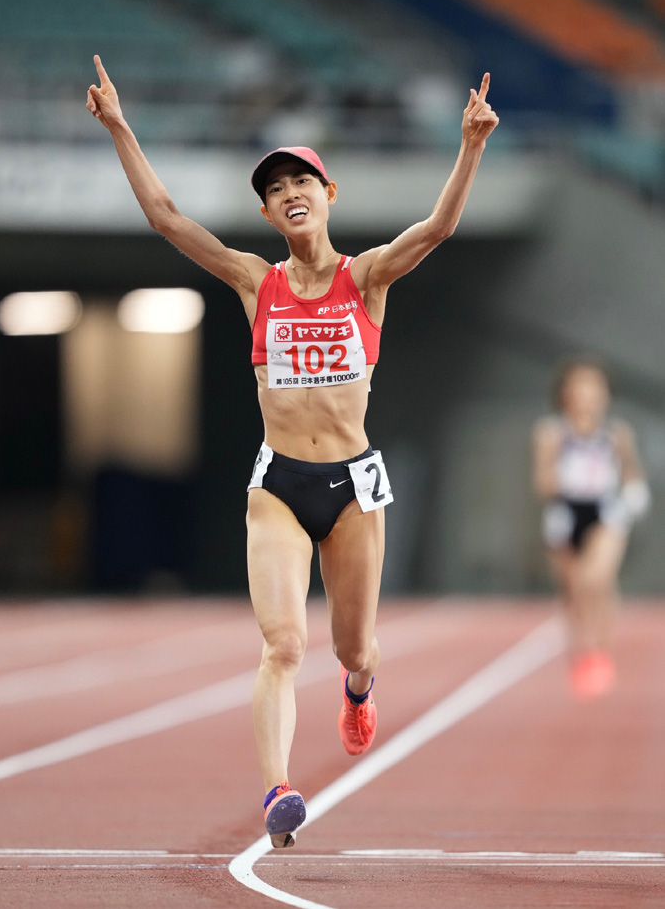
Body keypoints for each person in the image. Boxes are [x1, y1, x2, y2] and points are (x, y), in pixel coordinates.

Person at [86, 55, 499, 845]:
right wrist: (120, 128)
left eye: (301, 182)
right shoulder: (254, 282)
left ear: (327, 194)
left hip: (352, 486)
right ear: (272, 215)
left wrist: (471, 146)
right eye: (275, 191)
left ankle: (358, 686)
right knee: (282, 644)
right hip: (279, 482)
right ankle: (279, 791)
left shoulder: (366, 277)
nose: (290, 195)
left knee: (354, 646)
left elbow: (440, 228)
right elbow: (170, 221)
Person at [532, 358, 650, 699]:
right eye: (579, 386)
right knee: (573, 591)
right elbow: (542, 482)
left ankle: (600, 650)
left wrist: (635, 493)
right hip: (565, 513)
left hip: (605, 512)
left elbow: (631, 473)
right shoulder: (551, 433)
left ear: (605, 394)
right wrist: (566, 479)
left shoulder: (616, 434)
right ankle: (581, 649)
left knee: (596, 578)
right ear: (565, 393)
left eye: (593, 386)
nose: (586, 394)